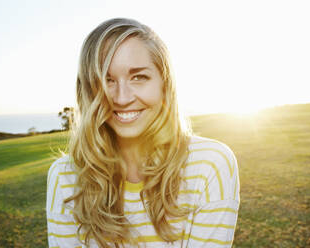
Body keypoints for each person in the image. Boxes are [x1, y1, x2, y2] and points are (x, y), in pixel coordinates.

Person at [46, 18, 240, 248]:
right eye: (106, 80)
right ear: (89, 90)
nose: (121, 97)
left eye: (138, 77)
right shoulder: (65, 178)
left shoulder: (209, 165)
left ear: (164, 84)